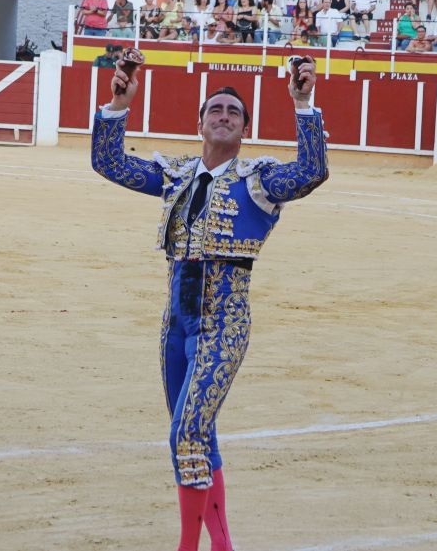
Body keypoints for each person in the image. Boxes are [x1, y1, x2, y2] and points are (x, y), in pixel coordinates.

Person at [92, 53, 328, 551]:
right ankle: (222, 547)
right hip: (174, 324)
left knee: (187, 433)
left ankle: (188, 547)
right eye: (215, 109)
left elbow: (311, 170)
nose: (224, 115)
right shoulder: (176, 174)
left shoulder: (259, 183)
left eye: (233, 112)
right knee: (196, 434)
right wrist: (119, 102)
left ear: (245, 129)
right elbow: (109, 163)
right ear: (199, 123)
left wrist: (303, 103)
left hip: (224, 323)